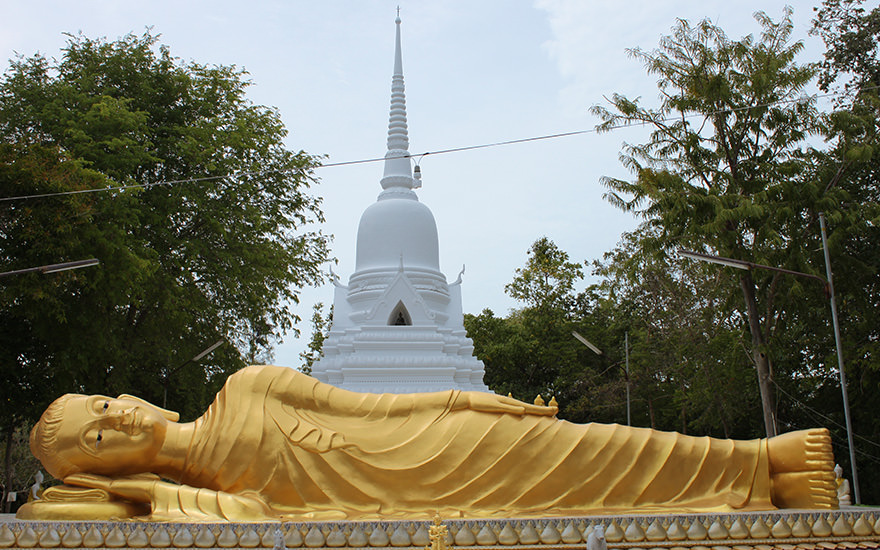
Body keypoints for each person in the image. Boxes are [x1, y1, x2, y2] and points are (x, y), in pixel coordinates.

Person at [18, 365, 837, 521]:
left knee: (590, 452)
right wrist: (138, 494)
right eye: (97, 441)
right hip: (389, 504)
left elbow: (370, 407)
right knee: (584, 484)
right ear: (105, 470)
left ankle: (763, 463)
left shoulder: (249, 385)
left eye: (101, 404)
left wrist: (467, 399)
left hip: (434, 443)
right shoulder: (204, 499)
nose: (117, 418)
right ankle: (759, 473)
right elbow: (244, 524)